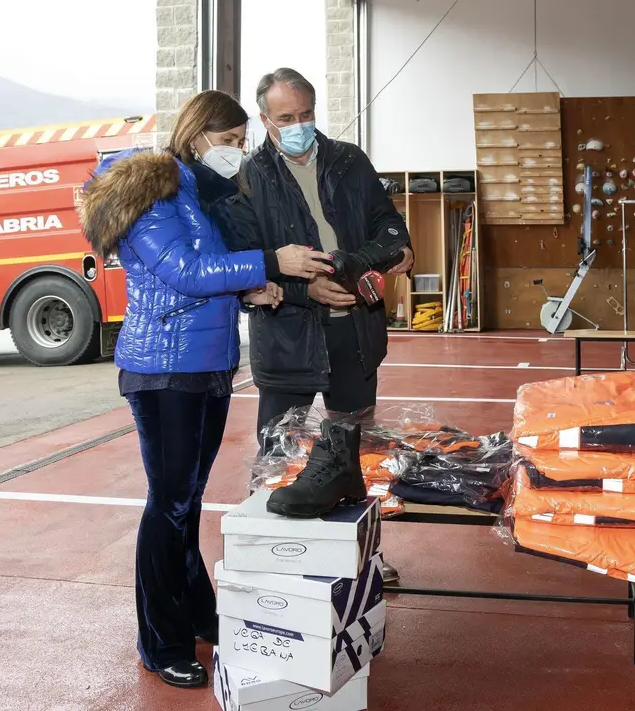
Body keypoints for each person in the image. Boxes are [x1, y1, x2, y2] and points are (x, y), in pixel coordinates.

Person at [76, 90, 333, 690]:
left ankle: (195, 611)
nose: (237, 153)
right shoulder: (153, 192)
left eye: (243, 143)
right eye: (229, 141)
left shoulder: (198, 195)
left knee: (185, 502)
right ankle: (158, 638)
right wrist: (271, 263)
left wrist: (250, 289)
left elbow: (206, 275)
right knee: (167, 504)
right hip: (165, 369)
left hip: (207, 364)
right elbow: (183, 273)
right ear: (196, 138)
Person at [226, 68, 413, 584]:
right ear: (265, 120)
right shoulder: (246, 179)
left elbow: (390, 224)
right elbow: (246, 263)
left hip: (355, 330)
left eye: (306, 114)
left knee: (350, 458)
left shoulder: (349, 160)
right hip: (287, 337)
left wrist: (362, 266)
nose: (298, 125)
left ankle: (363, 558)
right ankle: (266, 558)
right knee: (277, 456)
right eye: (286, 118)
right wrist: (309, 290)